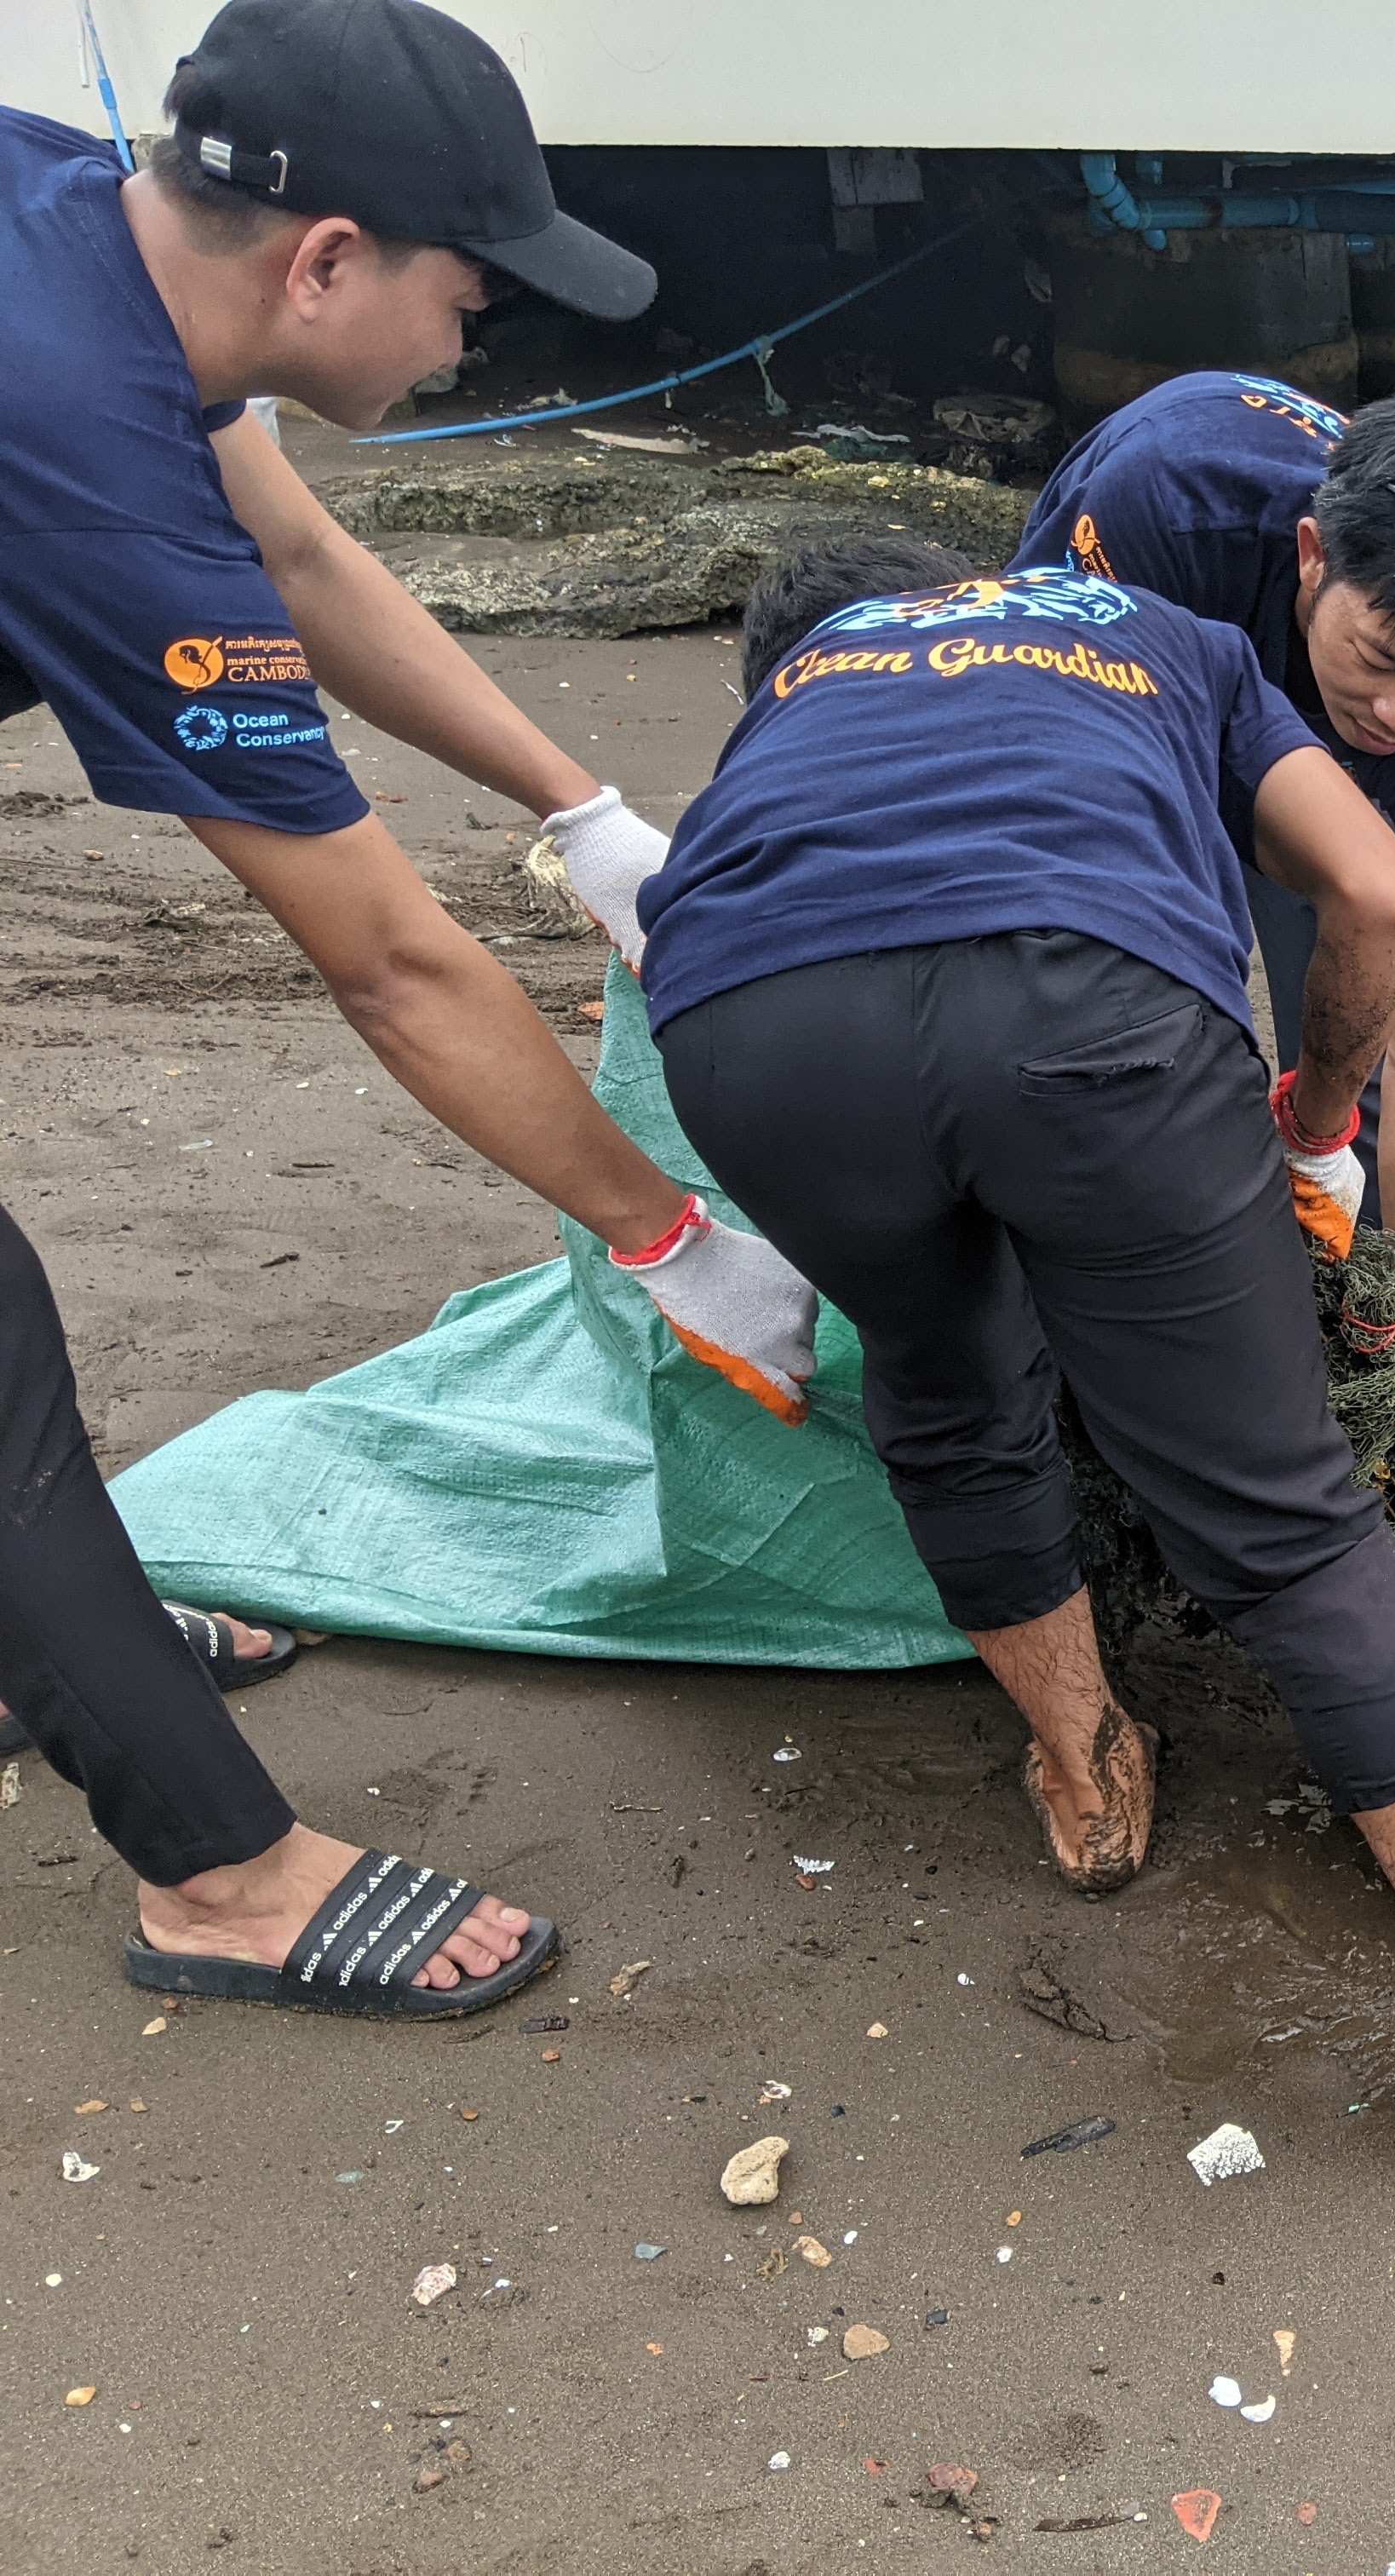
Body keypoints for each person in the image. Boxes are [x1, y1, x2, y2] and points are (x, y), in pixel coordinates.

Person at [636, 533, 1395, 2160]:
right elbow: (1382, 893)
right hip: (1087, 1006)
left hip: (758, 1026)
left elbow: (714, 913)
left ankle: (1090, 1782)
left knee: (949, 1382)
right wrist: (1317, 1118)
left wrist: (668, 1236)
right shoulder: (1151, 627)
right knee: (1287, 1521)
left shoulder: (800, 699)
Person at [0, 0, 821, 2017]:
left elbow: (290, 539)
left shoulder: (81, 215)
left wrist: (585, 810)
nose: (476, 348)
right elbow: (385, 960)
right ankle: (224, 1875)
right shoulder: (77, 444)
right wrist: (669, 1237)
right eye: (470, 298)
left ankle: (49, 1632)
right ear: (326, 260)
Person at [1012, 371, 1395, 1318]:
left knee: (1351, 1069)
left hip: (1306, 732)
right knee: (1125, 1018)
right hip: (1115, 674)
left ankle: (1338, 1316)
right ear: (1315, 556)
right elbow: (1068, 825)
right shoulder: (1166, 510)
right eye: (1380, 661)